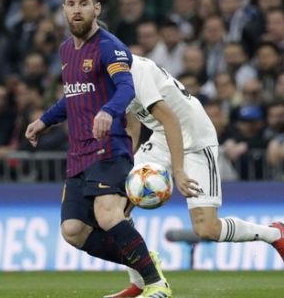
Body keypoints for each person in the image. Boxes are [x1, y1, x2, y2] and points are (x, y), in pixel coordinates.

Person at [25, 0, 171, 297]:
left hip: (110, 148)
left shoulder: (110, 46)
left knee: (107, 215)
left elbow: (126, 88)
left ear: (97, 8)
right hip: (78, 154)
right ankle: (145, 264)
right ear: (63, 9)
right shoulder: (66, 51)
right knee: (73, 231)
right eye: (71, 4)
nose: (77, 10)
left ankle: (156, 285)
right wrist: (44, 120)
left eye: (83, 3)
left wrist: (108, 112)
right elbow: (73, 98)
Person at [106, 55, 284, 298]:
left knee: (207, 229)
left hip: (195, 139)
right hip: (161, 137)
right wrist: (129, 159)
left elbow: (171, 120)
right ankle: (141, 279)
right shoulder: (108, 74)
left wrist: (178, 171)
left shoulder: (137, 70)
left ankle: (273, 234)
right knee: (114, 205)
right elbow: (132, 121)